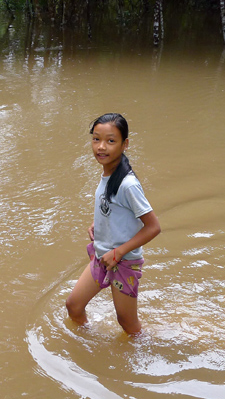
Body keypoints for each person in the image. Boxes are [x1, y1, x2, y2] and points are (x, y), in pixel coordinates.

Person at [65, 113, 161, 334]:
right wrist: (97, 222)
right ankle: (89, 344)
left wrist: (118, 252)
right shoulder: (108, 174)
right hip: (102, 256)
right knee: (74, 306)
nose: (101, 147)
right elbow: (114, 207)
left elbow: (153, 227)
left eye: (110, 141)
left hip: (123, 261)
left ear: (125, 144)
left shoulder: (128, 184)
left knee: (127, 323)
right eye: (96, 139)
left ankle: (142, 355)